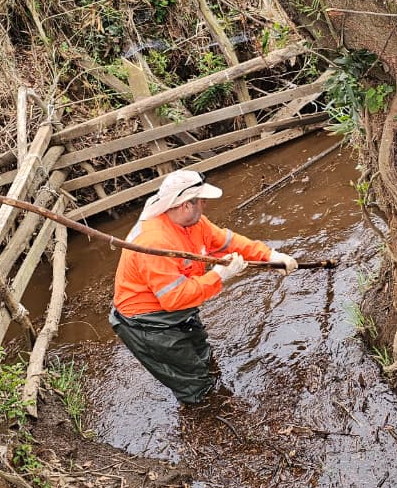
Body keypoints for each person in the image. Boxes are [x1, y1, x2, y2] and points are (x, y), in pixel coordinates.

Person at [109, 169, 298, 405]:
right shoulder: (153, 242)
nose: (205, 205)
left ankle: (210, 389)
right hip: (147, 323)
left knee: (203, 354)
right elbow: (174, 298)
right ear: (185, 205)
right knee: (193, 383)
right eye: (202, 201)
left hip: (177, 309)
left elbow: (227, 242)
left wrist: (270, 256)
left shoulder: (194, 223)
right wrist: (219, 275)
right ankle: (205, 410)